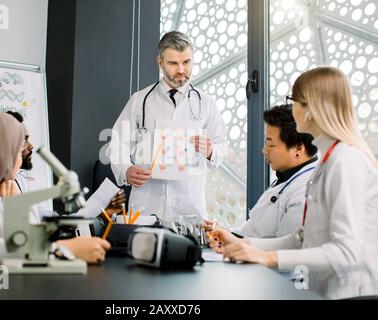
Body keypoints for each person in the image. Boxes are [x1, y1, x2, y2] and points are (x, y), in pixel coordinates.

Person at [207, 67, 378, 299]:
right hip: (325, 290)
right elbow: (302, 238)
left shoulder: (345, 161)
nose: (292, 107)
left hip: (352, 293)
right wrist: (244, 242)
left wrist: (268, 258)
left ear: (310, 109)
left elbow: (347, 252)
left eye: (293, 99)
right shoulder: (328, 162)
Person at [0, 111, 110, 299]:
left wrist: (14, 204)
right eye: (16, 152)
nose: (19, 160)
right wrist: (63, 249)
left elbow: (15, 241)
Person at [109, 31, 227, 223]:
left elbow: (221, 144)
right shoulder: (140, 101)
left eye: (187, 62)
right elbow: (117, 142)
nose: (181, 69)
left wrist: (211, 150)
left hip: (189, 206)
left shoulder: (205, 103)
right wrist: (126, 169)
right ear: (160, 62)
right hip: (147, 204)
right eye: (173, 63)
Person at [207, 105, 318, 238]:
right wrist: (224, 232)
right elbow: (253, 233)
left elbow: (284, 249)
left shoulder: (307, 191)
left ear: (298, 149)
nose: (264, 150)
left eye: (271, 144)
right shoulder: (286, 178)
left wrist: (232, 240)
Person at [4, 111, 125, 224]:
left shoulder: (21, 181)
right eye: (24, 141)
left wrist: (104, 214)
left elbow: (52, 221)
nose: (31, 146)